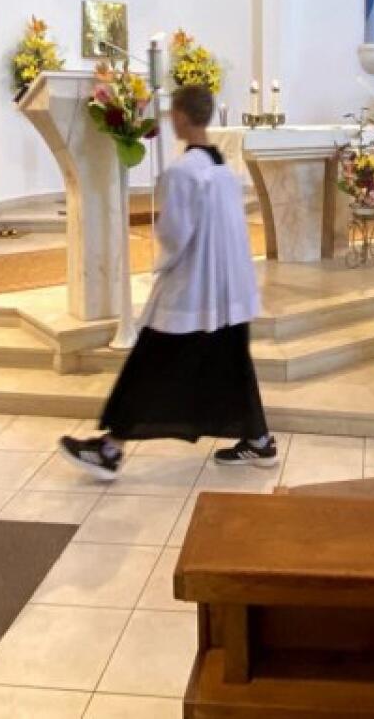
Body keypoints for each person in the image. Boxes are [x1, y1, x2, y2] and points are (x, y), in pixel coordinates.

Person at [60, 85, 273, 478]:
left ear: (180, 116)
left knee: (149, 364)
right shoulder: (225, 171)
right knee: (233, 365)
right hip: (228, 291)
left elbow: (176, 234)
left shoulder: (182, 172)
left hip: (191, 290)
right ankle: (259, 440)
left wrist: (160, 259)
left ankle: (109, 449)